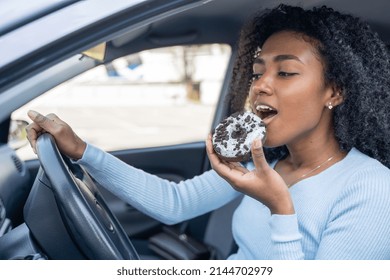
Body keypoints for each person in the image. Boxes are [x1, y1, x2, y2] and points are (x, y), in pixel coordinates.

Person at [26, 4, 390, 259]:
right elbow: (174, 204)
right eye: (257, 71)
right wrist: (82, 151)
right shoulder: (266, 160)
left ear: (335, 91)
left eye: (285, 72)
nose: (260, 85)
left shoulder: (371, 188)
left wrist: (280, 208)